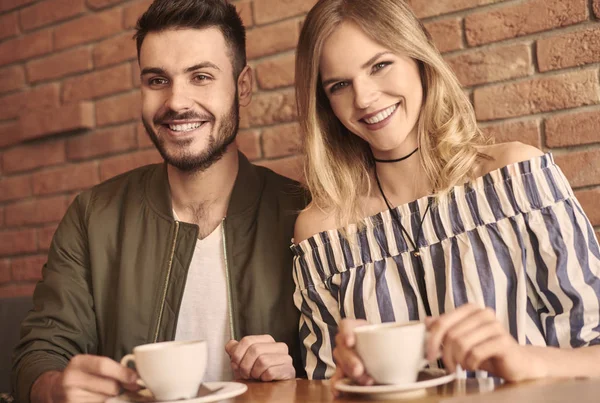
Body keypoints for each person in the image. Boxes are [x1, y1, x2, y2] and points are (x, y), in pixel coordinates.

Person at [291, 0, 600, 392]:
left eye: (380, 65)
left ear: (419, 59)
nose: (364, 98)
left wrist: (526, 360)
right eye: (339, 85)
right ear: (326, 105)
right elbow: (323, 387)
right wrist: (344, 379)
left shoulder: (514, 180)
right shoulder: (322, 235)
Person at [12, 1, 307, 402]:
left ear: (242, 86)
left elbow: (341, 361)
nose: (176, 102)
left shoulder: (304, 214)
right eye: (156, 80)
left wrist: (295, 374)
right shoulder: (92, 215)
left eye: (201, 76)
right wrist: (53, 388)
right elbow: (39, 352)